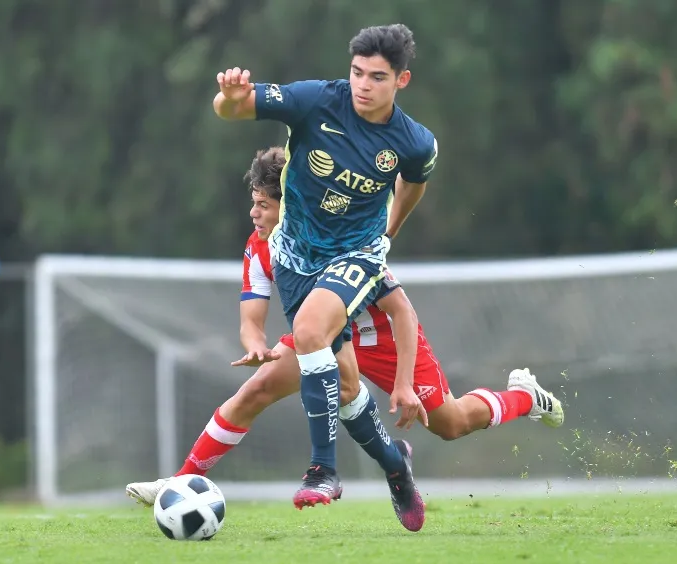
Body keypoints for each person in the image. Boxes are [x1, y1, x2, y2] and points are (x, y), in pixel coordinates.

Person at [126, 148, 564, 531]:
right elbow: (251, 318)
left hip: (386, 338)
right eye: (253, 204)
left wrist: (406, 383)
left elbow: (402, 313)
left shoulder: (335, 240)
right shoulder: (258, 246)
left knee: (450, 423)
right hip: (326, 335)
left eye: (263, 205)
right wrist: (257, 343)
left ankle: (523, 398)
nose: (253, 214)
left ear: (291, 207)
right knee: (255, 390)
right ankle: (180, 482)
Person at [212, 24, 436, 520]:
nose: (363, 84)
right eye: (357, 72)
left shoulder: (414, 142)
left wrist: (389, 232)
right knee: (349, 387)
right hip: (294, 257)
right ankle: (395, 466)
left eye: (377, 77)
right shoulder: (315, 100)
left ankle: (322, 471)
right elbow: (231, 109)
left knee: (311, 332)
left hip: (355, 255)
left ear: (401, 81)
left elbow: (414, 184)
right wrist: (228, 98)